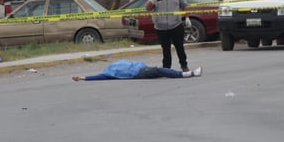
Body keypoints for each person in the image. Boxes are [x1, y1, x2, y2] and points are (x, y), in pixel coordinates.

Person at [146, 0, 192, 72]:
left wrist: (186, 17)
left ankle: (184, 66)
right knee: (165, 49)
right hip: (161, 28)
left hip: (176, 25)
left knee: (180, 47)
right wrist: (152, 2)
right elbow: (148, 9)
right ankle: (166, 68)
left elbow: (184, 6)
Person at [72, 59, 202, 81]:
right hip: (140, 72)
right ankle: (187, 74)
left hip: (142, 69)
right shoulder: (108, 72)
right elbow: (99, 77)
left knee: (160, 72)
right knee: (159, 70)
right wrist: (84, 78)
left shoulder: (115, 65)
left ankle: (181, 74)